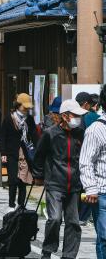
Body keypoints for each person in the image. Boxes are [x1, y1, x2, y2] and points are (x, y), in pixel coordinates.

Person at [33, 99, 85, 259]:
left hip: (75, 184)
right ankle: (48, 250)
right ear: (64, 116)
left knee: (74, 223)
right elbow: (39, 155)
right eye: (75, 115)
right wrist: (38, 175)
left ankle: (69, 255)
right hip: (55, 183)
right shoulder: (50, 133)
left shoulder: (80, 132)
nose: (78, 118)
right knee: (55, 219)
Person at [0, 93, 37, 212]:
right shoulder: (9, 118)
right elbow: (3, 136)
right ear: (18, 105)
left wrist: (37, 149)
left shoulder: (29, 119)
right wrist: (3, 153)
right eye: (24, 106)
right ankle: (11, 204)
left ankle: (21, 205)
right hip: (11, 152)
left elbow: (34, 135)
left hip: (25, 152)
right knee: (13, 179)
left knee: (23, 180)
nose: (26, 109)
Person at [80, 87, 106, 259]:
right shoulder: (96, 129)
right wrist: (90, 188)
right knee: (105, 237)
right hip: (103, 191)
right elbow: (86, 161)